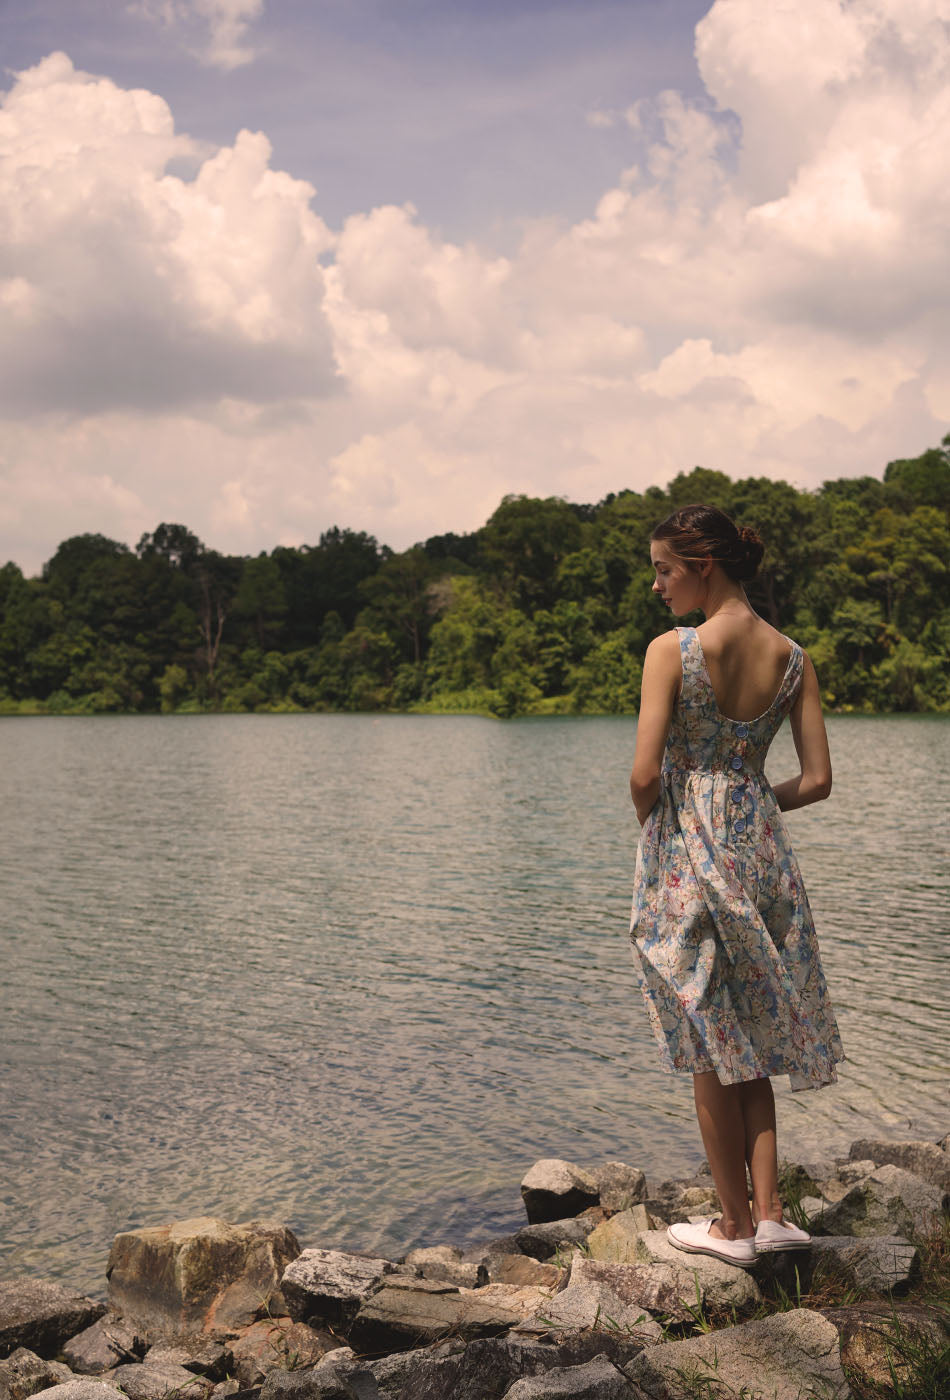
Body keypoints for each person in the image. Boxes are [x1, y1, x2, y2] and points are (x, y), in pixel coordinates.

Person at [628, 503, 844, 1269]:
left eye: (663, 569)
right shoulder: (793, 657)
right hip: (763, 855)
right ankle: (775, 1212)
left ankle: (733, 1228)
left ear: (702, 565)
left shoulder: (673, 651)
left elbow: (646, 773)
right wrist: (749, 801)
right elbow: (817, 782)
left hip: (690, 851)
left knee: (707, 1039)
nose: (657, 586)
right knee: (748, 1031)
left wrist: (664, 823)